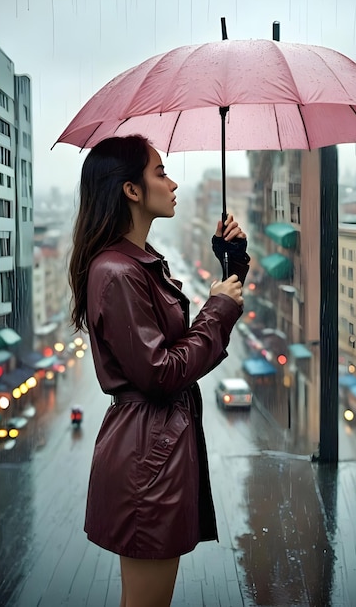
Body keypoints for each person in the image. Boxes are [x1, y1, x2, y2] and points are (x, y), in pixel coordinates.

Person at [68, 135, 249, 607]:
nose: (172, 183)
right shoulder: (118, 272)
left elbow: (172, 349)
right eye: (160, 172)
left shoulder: (137, 264)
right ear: (130, 189)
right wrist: (217, 310)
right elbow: (162, 373)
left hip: (156, 449)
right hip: (150, 458)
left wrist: (235, 268)